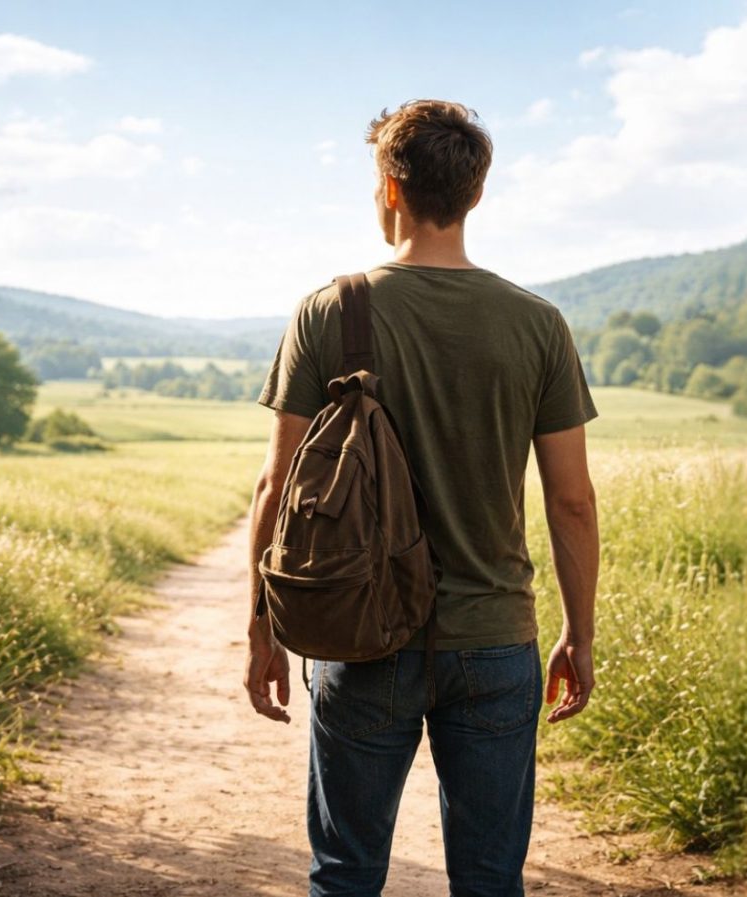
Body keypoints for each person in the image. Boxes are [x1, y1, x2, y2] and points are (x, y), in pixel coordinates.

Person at [245, 99, 599, 897]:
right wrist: (578, 629)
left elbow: (278, 482)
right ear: (476, 195)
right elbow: (571, 502)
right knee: (488, 876)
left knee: (345, 871)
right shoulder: (539, 324)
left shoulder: (329, 311)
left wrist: (261, 623)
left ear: (390, 189)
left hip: (357, 632)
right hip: (494, 637)